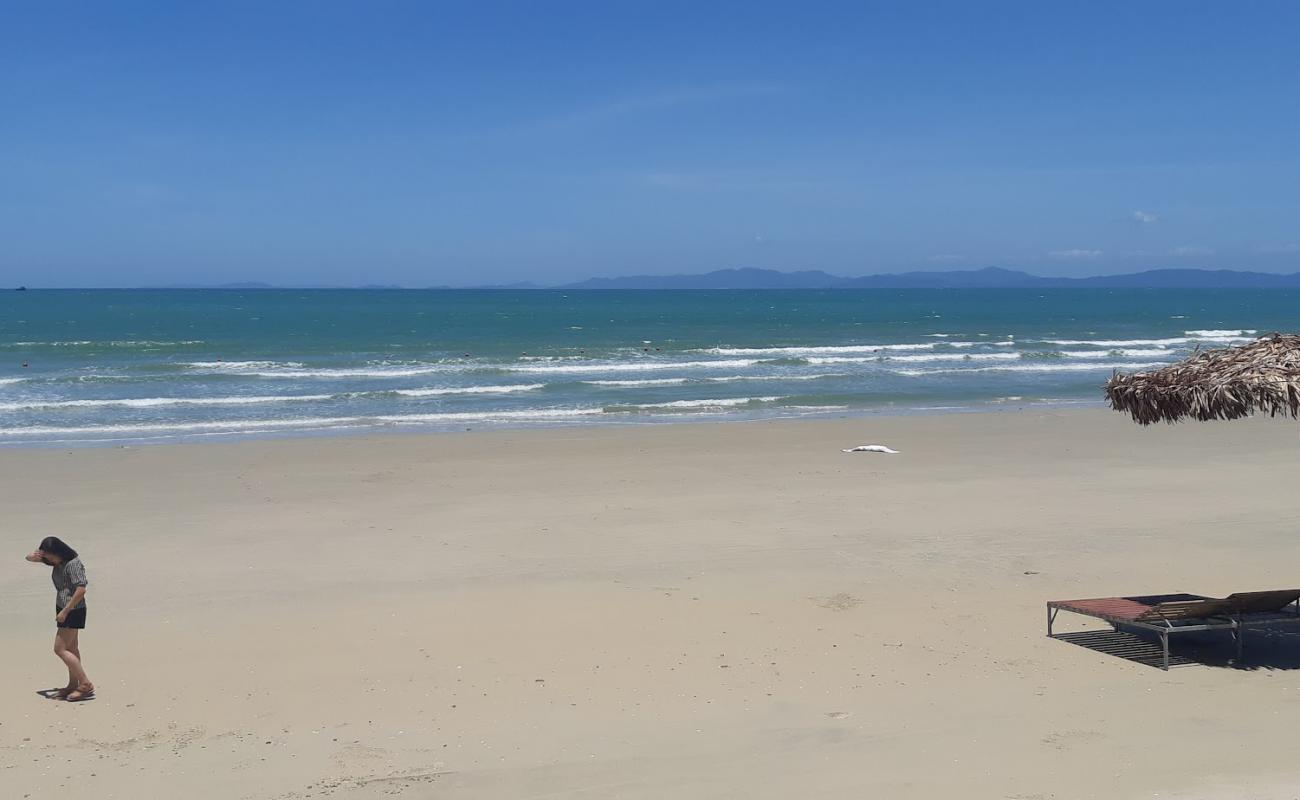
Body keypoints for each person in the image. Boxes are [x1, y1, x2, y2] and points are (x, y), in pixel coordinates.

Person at [25, 537, 94, 701]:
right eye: (46, 557)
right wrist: (36, 556)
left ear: (58, 552)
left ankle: (85, 684)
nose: (48, 560)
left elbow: (81, 590)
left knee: (59, 648)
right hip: (63, 607)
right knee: (72, 648)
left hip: (73, 609)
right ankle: (73, 684)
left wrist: (65, 610)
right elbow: (28, 558)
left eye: (50, 556)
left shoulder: (73, 563)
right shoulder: (58, 562)